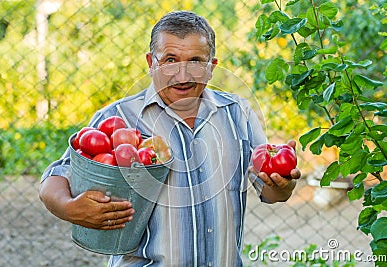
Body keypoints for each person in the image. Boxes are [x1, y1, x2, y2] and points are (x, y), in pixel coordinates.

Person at [39, 10, 301, 266]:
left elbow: (271, 192)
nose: (183, 75)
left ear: (212, 67)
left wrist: (282, 184)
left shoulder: (238, 114)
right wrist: (69, 208)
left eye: (196, 61)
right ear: (151, 63)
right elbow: (56, 176)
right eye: (170, 60)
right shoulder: (119, 118)